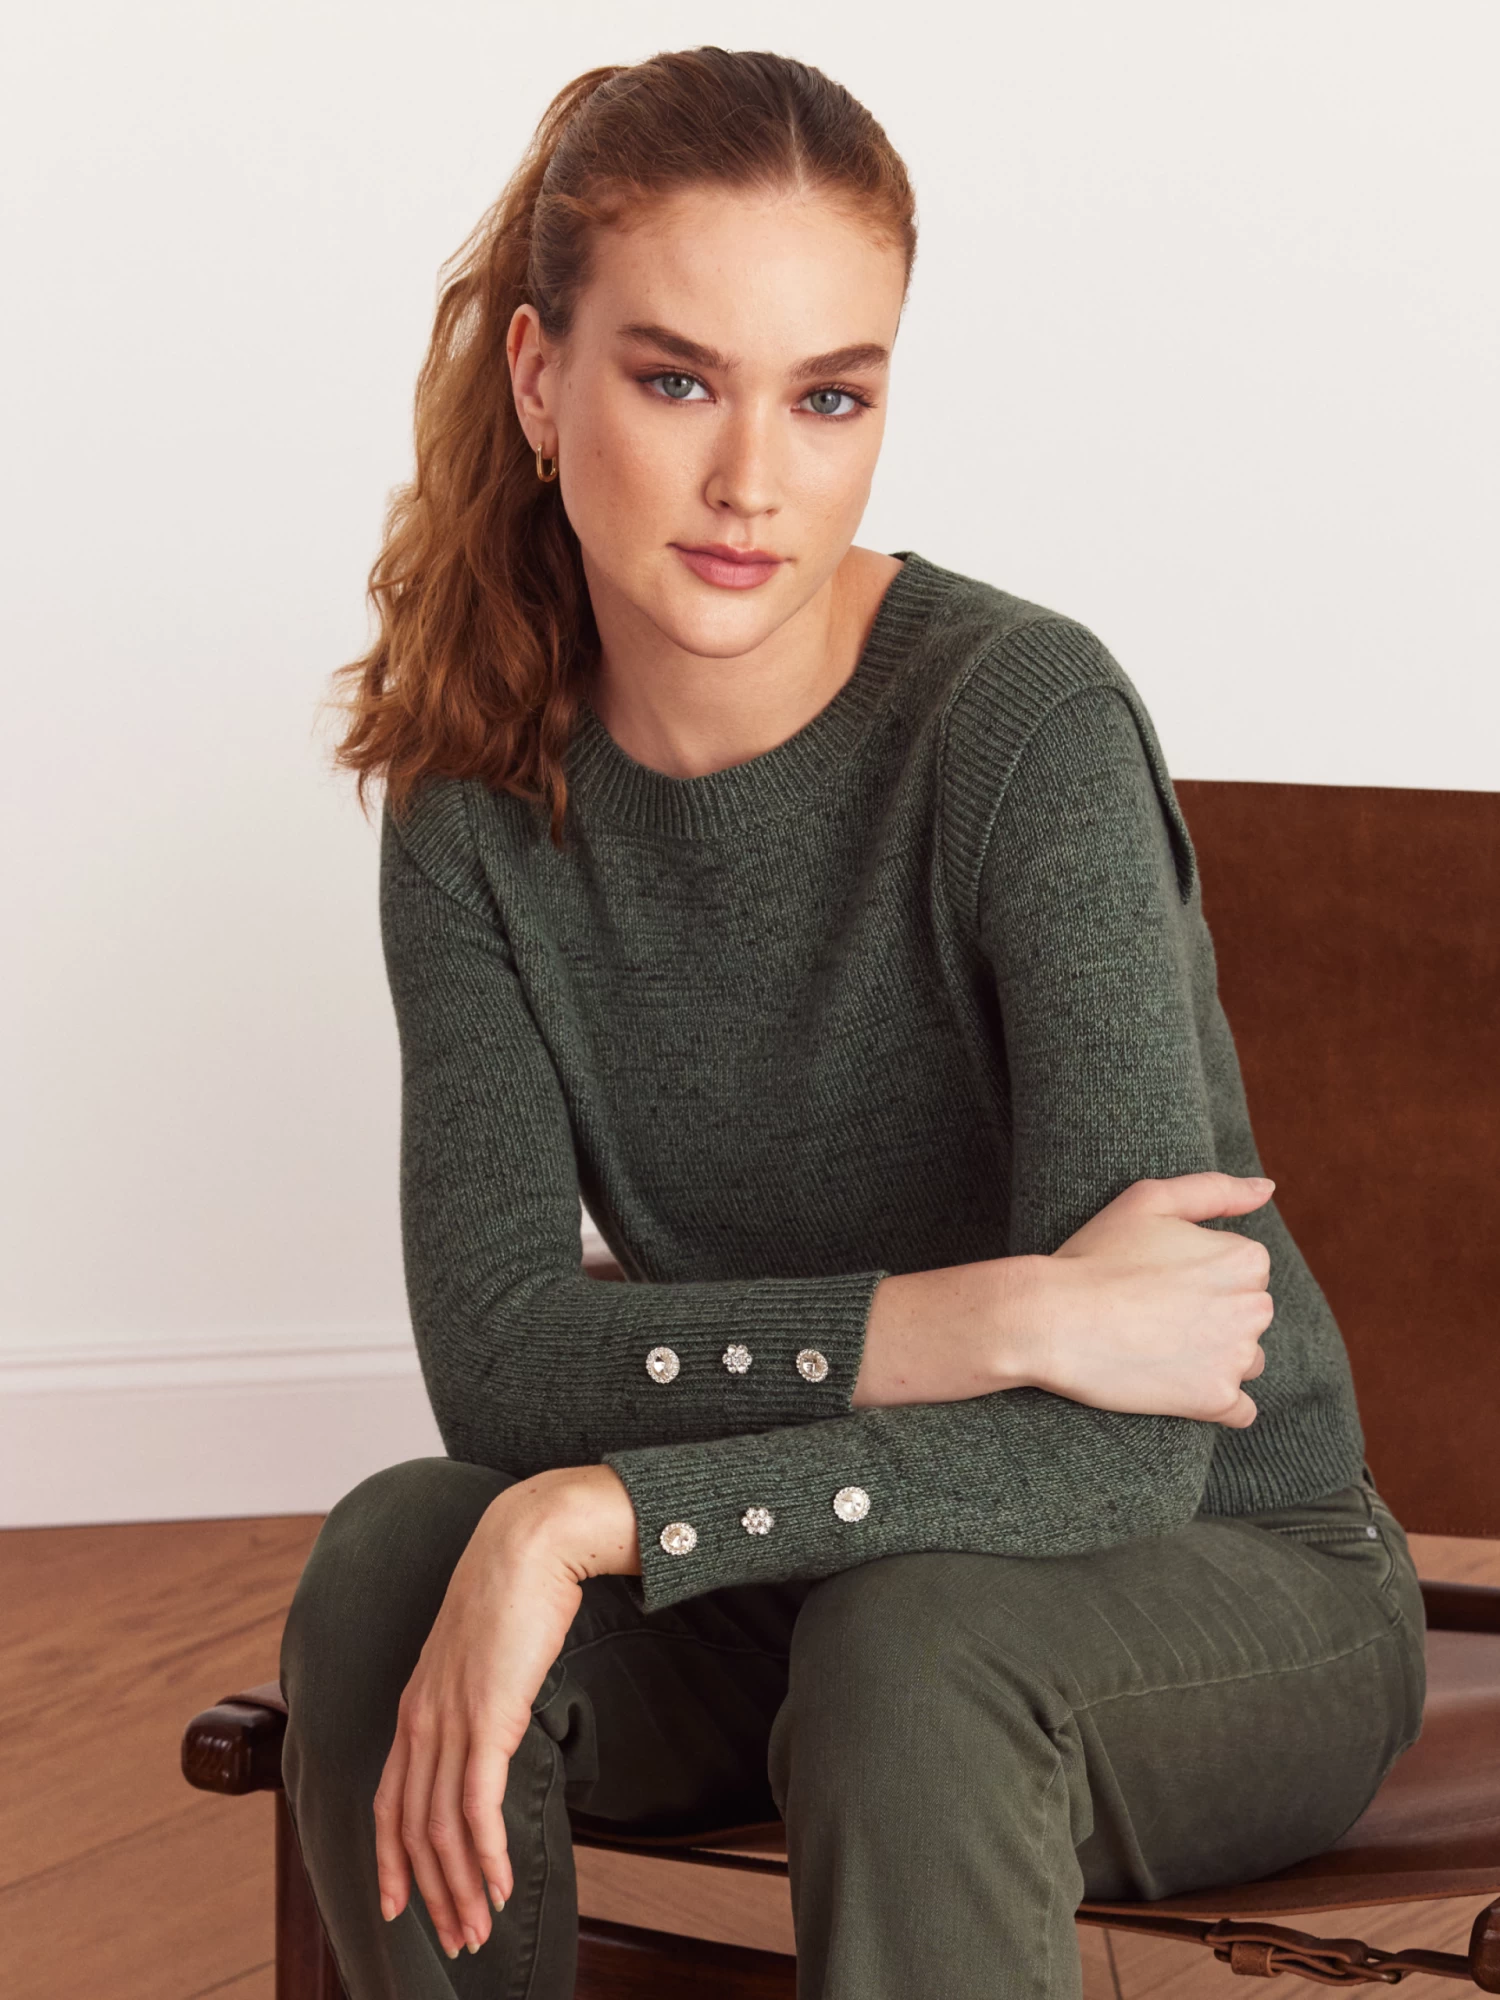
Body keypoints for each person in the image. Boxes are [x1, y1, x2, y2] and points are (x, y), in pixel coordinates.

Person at [279, 46, 1426, 2000]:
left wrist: (599, 1508)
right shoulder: (472, 796)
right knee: (401, 1563)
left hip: (1215, 1572)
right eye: (677, 380)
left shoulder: (1020, 732)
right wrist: (993, 1318)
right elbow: (502, 1359)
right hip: (813, 1556)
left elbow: (1128, 1453)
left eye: (828, 396)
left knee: (915, 1651)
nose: (754, 481)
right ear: (541, 378)